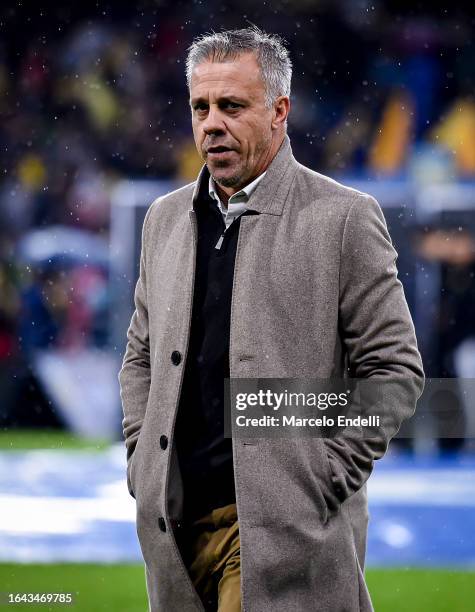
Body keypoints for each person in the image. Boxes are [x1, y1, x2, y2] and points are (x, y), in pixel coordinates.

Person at [119, 26, 425, 612]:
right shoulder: (162, 219)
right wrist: (143, 460)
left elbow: (394, 370)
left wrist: (321, 478)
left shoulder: (344, 218)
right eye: (201, 107)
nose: (212, 123)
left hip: (282, 537)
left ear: (280, 111)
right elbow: (141, 355)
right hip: (176, 531)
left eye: (232, 106)